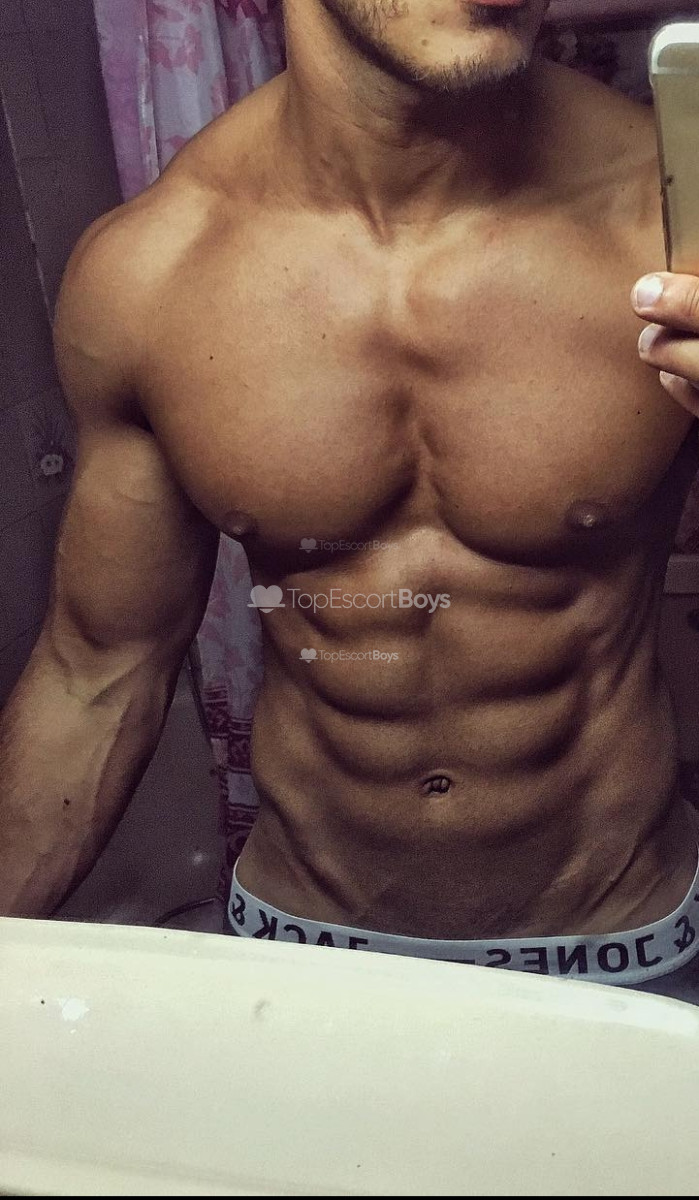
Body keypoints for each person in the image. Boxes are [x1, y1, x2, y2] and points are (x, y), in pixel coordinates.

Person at [3, 0, 699, 998]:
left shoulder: (667, 226)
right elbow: (97, 674)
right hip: (306, 948)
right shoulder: (150, 272)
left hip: (620, 942)